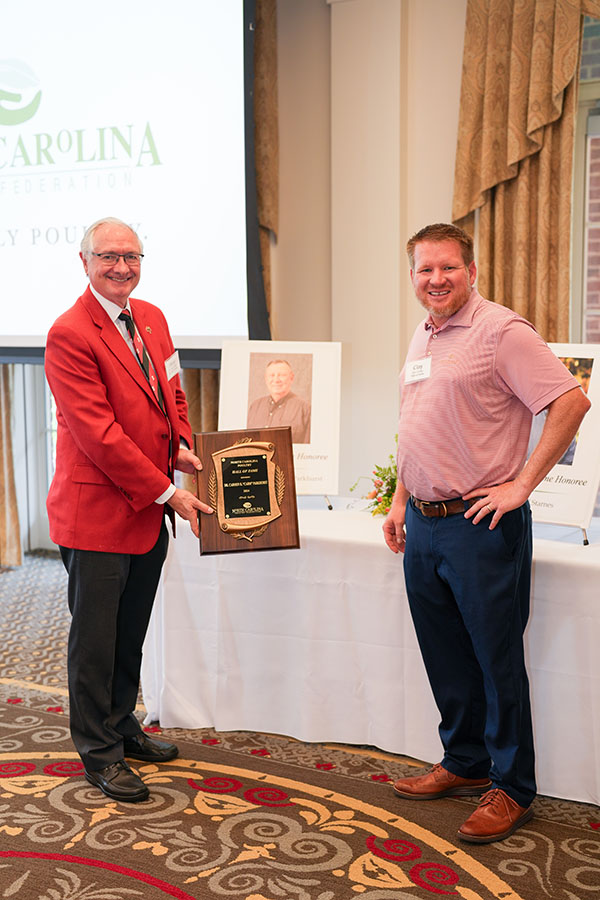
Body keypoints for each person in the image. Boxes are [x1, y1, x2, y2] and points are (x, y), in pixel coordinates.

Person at [383, 223, 590, 843]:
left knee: (495, 659)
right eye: (424, 270)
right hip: (422, 522)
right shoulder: (425, 333)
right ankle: (466, 762)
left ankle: (513, 786)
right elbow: (415, 422)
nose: (436, 279)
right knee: (445, 654)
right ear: (413, 277)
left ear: (471, 272)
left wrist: (521, 485)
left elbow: (571, 402)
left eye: (448, 268)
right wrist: (398, 500)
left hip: (481, 524)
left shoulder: (501, 331)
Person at [45, 217, 213, 803]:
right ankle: (98, 752)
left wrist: (183, 446)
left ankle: (121, 726)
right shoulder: (70, 333)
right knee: (94, 642)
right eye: (110, 257)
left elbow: (173, 392)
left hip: (145, 513)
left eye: (132, 257)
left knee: (129, 634)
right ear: (85, 261)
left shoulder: (153, 317)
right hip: (96, 515)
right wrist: (169, 491)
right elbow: (100, 436)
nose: (122, 267)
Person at [247, 358, 311, 443]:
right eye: (272, 375)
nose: (276, 380)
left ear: (291, 378)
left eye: (282, 375)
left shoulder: (305, 409)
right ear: (266, 379)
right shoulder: (255, 407)